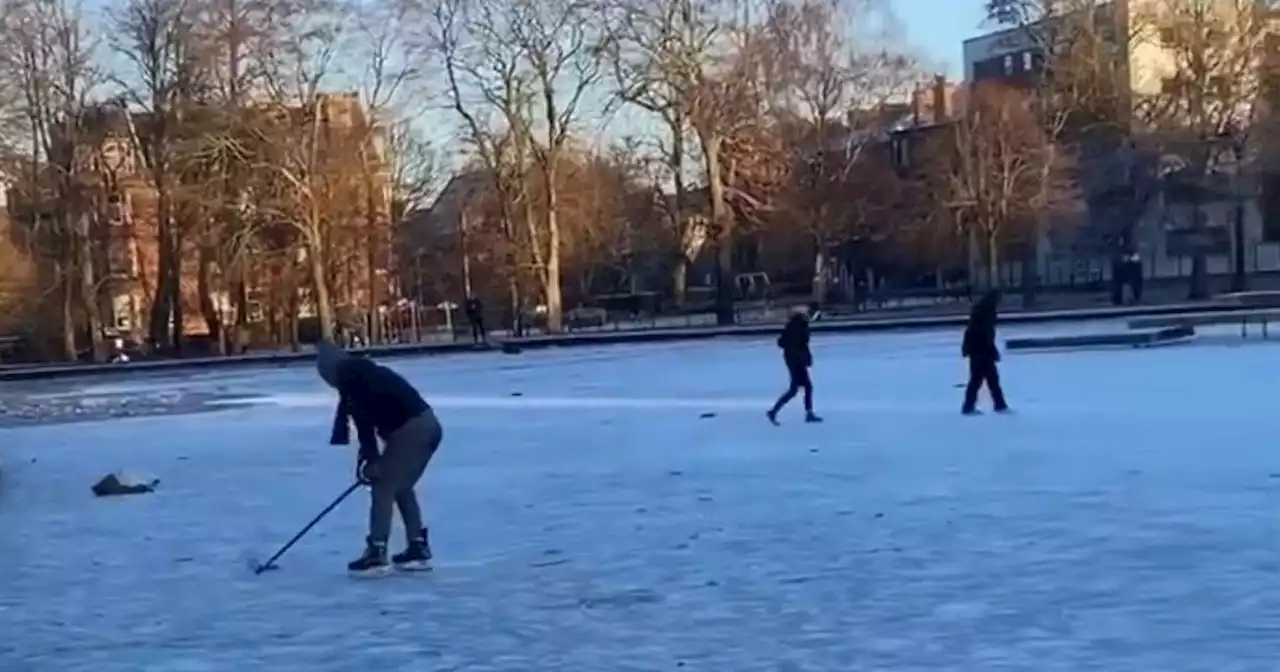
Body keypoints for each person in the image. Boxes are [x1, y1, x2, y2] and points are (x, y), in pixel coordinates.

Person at [315, 341, 444, 575]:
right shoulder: (366, 374)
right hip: (429, 426)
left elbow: (364, 426)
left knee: (384, 485)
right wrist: (370, 459)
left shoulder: (355, 385)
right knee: (401, 486)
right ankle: (417, 545)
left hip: (413, 431)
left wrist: (373, 462)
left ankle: (377, 549)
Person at [767, 305, 823, 425]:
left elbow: (795, 343)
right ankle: (808, 413)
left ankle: (774, 411)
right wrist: (803, 358)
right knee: (805, 387)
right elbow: (799, 344)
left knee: (796, 389)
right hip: (795, 360)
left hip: (793, 359)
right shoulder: (799, 324)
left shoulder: (798, 322)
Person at [961, 290, 1009, 415]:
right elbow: (983, 336)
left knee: (982, 380)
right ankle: (998, 405)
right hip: (981, 352)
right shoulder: (984, 315)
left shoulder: (982, 313)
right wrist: (991, 351)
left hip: (980, 352)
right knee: (984, 380)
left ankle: (997, 405)